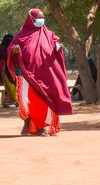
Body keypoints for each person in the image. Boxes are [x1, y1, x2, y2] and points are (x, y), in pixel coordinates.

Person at [7, 8, 73, 136]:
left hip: (44, 75)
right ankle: (27, 123)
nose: (41, 21)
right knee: (26, 100)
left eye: (42, 18)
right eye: (38, 18)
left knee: (42, 101)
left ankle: (41, 126)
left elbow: (56, 43)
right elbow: (11, 48)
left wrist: (59, 48)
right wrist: (14, 50)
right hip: (26, 74)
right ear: (31, 20)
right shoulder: (22, 35)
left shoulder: (49, 34)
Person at [0, 34, 17, 108]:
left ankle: (8, 100)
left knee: (6, 84)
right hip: (2, 69)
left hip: (3, 68)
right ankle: (6, 101)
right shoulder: (4, 49)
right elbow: (7, 58)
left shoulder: (3, 47)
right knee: (7, 84)